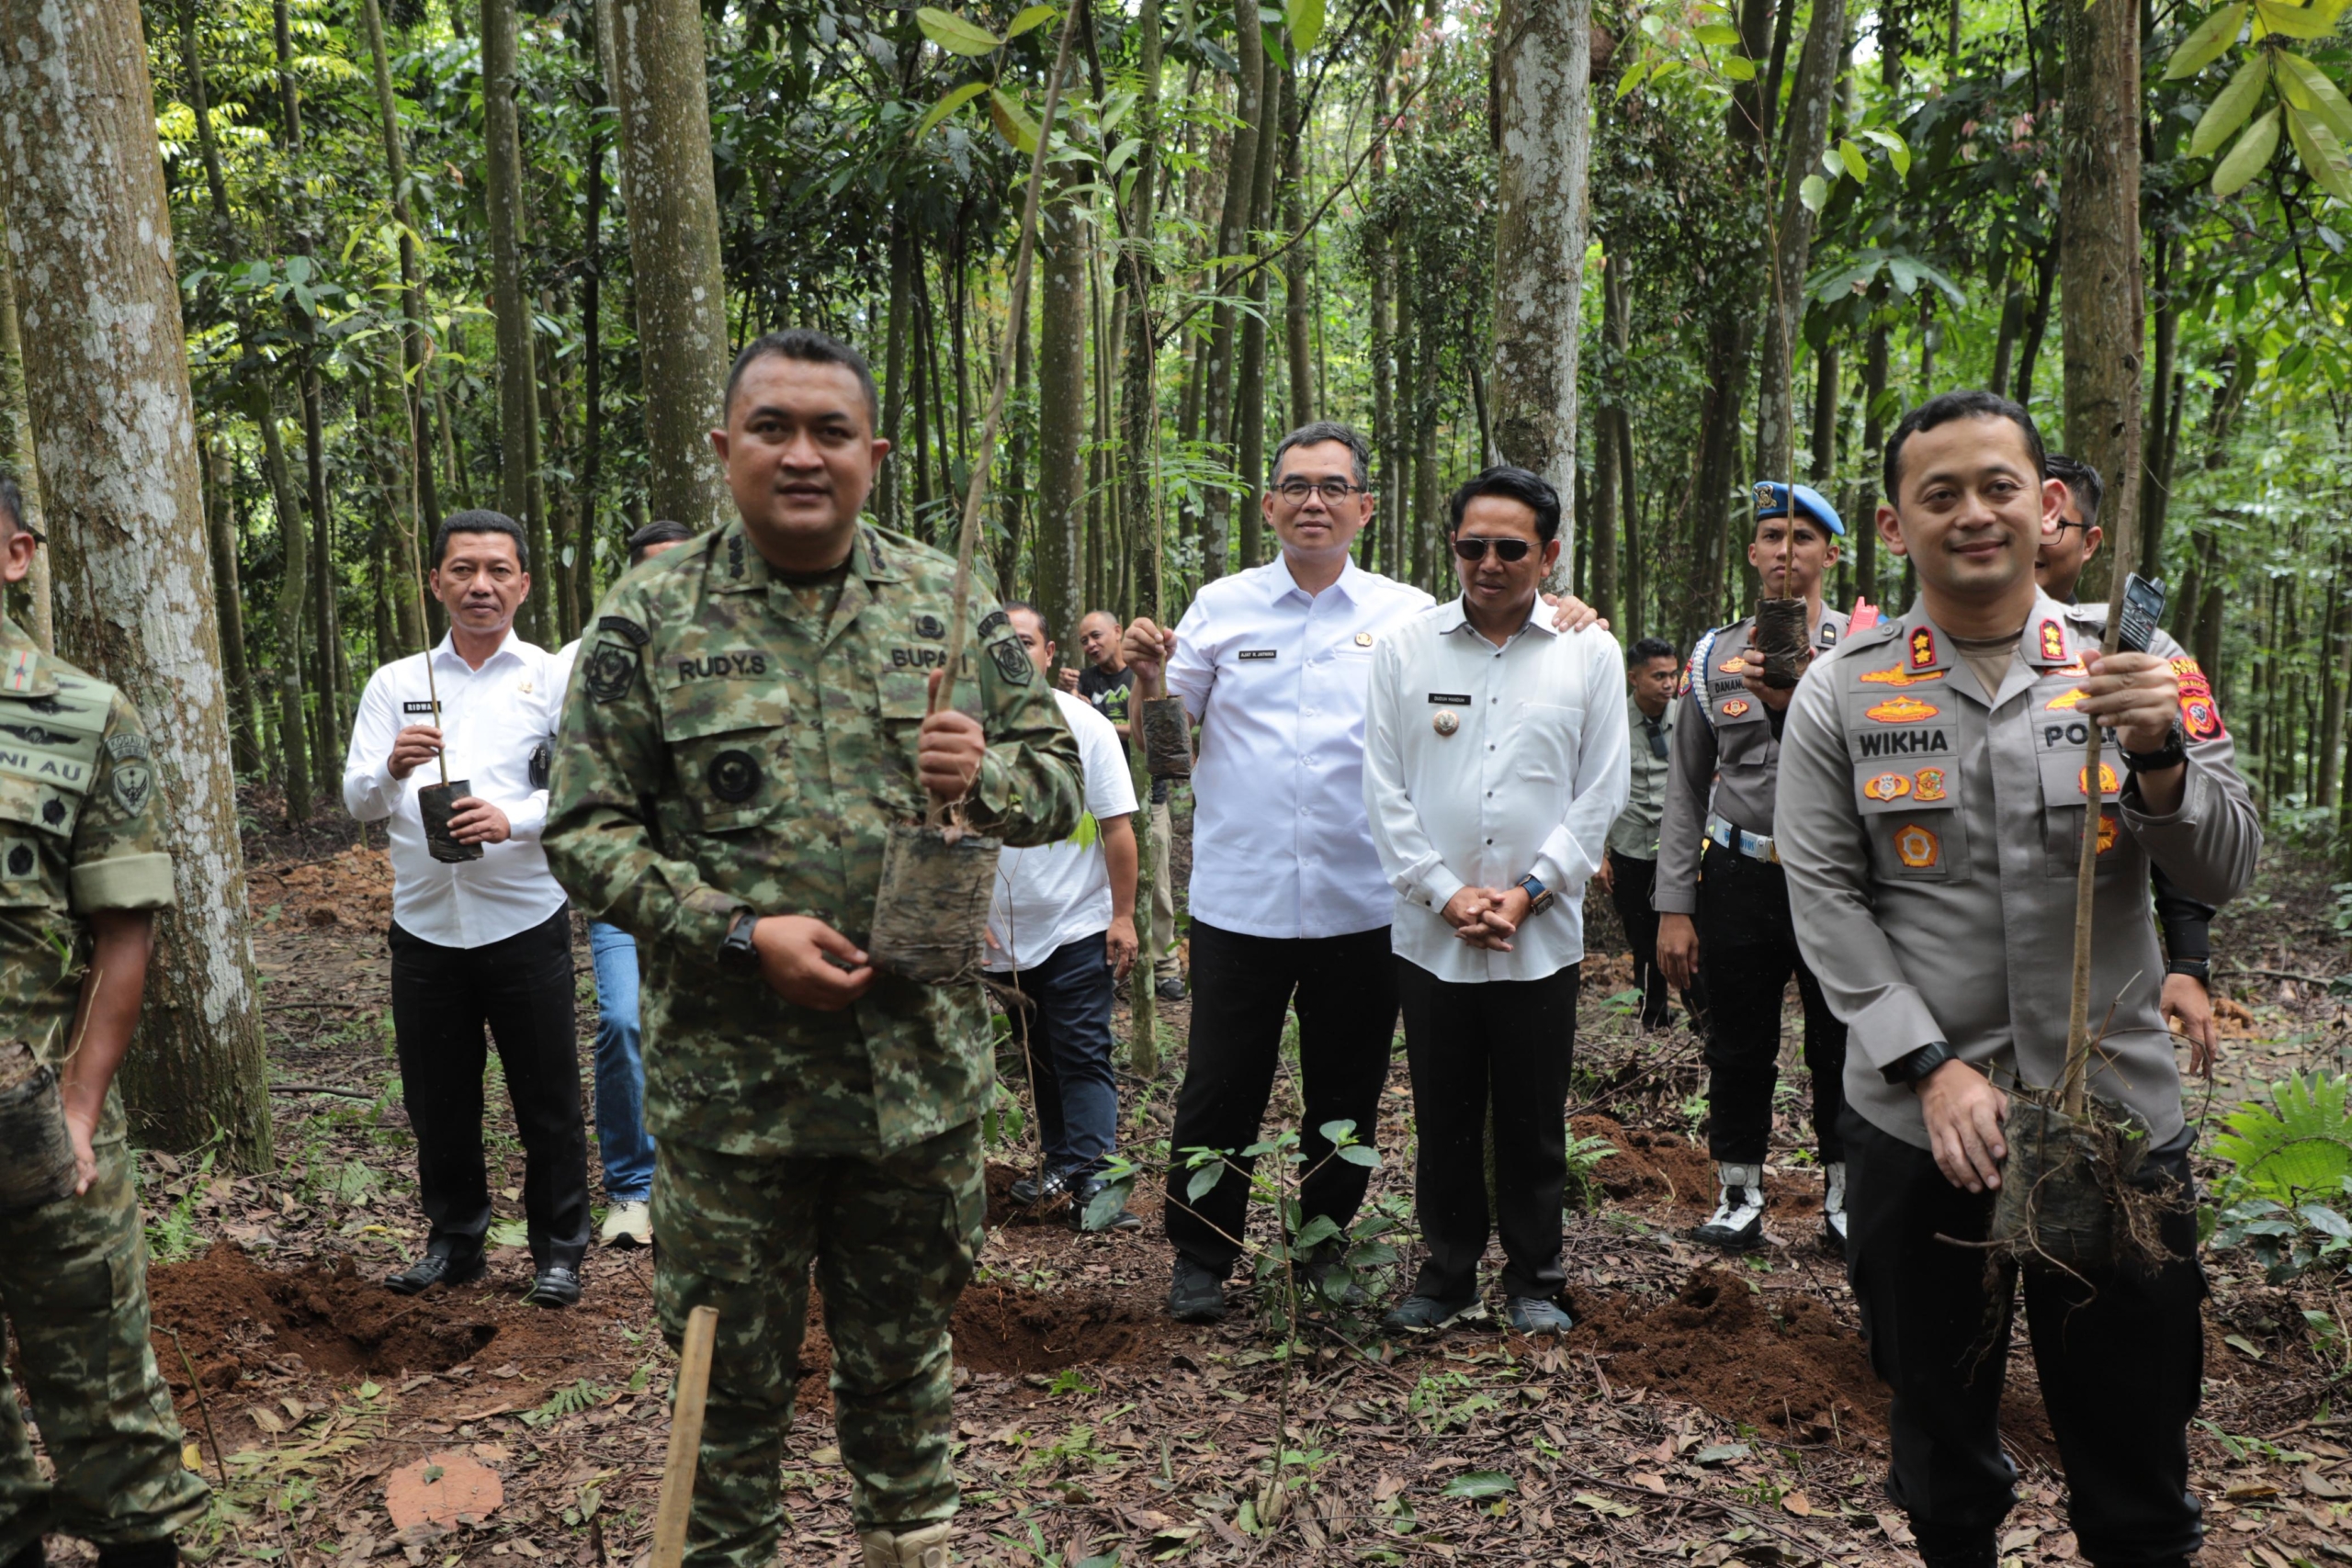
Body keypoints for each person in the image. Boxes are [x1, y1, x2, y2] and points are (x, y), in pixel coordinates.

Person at [543, 328, 1080, 1568]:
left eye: (830, 432)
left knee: (904, 1362)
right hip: (734, 1100)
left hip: (915, 1087)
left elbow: (1061, 780)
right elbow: (584, 831)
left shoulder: (949, 601)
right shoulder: (648, 617)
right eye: (772, 428)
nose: (801, 454)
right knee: (724, 1383)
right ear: (723, 446)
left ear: (874, 455)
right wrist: (740, 931)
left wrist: (985, 773)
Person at [1777, 389, 2259, 1568]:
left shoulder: (2136, 666)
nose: (1973, 514)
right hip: (1922, 1126)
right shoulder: (1841, 688)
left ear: (2045, 506)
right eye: (1938, 494)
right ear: (1894, 526)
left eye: (1998, 487)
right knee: (1939, 1445)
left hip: (2112, 1120)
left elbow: (2224, 866)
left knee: (2135, 1449)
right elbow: (1826, 898)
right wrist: (1927, 1066)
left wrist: (2158, 757)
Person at [1123, 420, 1600, 1324]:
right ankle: (1201, 1257)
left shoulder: (1408, 616)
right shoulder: (1220, 607)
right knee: (1220, 1084)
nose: (1315, 502)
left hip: (1366, 900)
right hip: (1241, 897)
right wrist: (1149, 677)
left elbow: (1497, 660)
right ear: (1269, 504)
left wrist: (1571, 615)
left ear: (1365, 508)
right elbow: (1166, 751)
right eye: (1297, 486)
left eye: (1333, 487)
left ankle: (1323, 1245)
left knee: (1346, 1091)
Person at [1363, 467, 1628, 1337]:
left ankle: (1535, 1277)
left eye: (1510, 547)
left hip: (1538, 935)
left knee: (1531, 1114)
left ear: (1548, 555)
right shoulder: (1406, 649)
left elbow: (1601, 792)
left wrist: (1528, 892)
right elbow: (1383, 789)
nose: (1489, 562)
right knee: (1441, 1112)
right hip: (1430, 932)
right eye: (1471, 545)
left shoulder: (1589, 652)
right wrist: (1444, 894)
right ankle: (1446, 1274)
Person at [0, 479, 209, 1568]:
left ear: (16, 554)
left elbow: (126, 932)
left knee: (107, 1402)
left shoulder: (86, 714)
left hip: (39, 1118)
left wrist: (78, 1112)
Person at [345, 511, 590, 1307]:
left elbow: (588, 789)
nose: (480, 585)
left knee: (547, 1096)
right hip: (424, 924)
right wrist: (392, 766)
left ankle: (559, 1251)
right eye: (462, 569)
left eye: (496, 570)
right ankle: (454, 1242)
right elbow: (358, 798)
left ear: (524, 584)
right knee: (438, 1097)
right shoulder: (396, 683)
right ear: (435, 581)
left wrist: (511, 818)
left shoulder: (550, 678)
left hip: (524, 918)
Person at [1655, 480, 1853, 1252]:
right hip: (1740, 876)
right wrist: (1675, 905)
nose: (1785, 552)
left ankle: (1845, 1198)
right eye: (1772, 536)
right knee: (1738, 1044)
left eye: (1802, 538)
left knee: (1841, 1043)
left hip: (1835, 879)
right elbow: (1684, 788)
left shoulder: (1865, 649)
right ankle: (1738, 1194)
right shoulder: (1712, 656)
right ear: (1752, 552)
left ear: (1829, 554)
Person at [2037, 454, 2221, 1077]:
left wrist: (2189, 961)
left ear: (2090, 543)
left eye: (2054, 522)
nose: (2034, 534)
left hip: (2103, 999)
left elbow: (2175, 817)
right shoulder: (1903, 667)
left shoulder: (2133, 662)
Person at [549, 519, 695, 1250]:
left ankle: (700, 1181)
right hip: (621, 882)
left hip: (710, 882)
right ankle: (634, 1188)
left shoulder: (734, 648)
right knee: (623, 1019)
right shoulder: (583, 659)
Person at [990, 603, 1143, 1232]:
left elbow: (1117, 827)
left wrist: (1123, 916)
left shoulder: (1083, 725)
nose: (1011, 653)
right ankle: (1063, 1163)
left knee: (1081, 1048)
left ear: (1049, 653)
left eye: (1025, 641)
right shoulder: (961, 726)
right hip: (999, 934)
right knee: (1038, 1052)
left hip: (1076, 920)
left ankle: (1098, 1180)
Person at [1065, 608, 1184, 1000]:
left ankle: (1165, 967)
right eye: (1084, 640)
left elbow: (1145, 731)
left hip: (1148, 797)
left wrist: (1094, 717)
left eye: (1096, 635)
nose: (1090, 645)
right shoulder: (1086, 679)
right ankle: (1113, 961)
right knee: (1105, 884)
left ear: (1118, 632)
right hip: (1099, 804)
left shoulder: (1142, 673)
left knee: (1157, 885)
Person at [1599, 636, 1696, 1031]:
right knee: (1642, 938)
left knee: (1692, 936)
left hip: (1681, 850)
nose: (1668, 683)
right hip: (1630, 848)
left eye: (1673, 674)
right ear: (1634, 678)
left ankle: (1702, 1017)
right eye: (1658, 676)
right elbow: (1594, 787)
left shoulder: (1689, 716)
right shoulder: (1611, 721)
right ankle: (1652, 1017)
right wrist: (1598, 853)